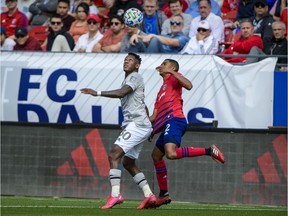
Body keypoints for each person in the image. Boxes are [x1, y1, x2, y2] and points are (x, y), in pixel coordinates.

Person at [80, 53, 157, 209]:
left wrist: (97, 93)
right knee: (128, 162)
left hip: (137, 124)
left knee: (114, 154)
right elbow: (142, 103)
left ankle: (115, 195)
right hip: (140, 125)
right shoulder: (129, 80)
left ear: (137, 65)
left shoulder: (135, 77)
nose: (126, 61)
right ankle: (149, 195)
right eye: (125, 60)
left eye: (130, 60)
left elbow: (122, 92)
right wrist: (149, 126)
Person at [148, 58, 225, 207]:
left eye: (165, 64)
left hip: (175, 120)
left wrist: (172, 72)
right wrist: (149, 128)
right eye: (162, 64)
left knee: (171, 154)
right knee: (156, 156)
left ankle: (209, 151)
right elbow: (154, 116)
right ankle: (163, 194)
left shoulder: (174, 78)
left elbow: (189, 85)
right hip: (166, 124)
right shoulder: (160, 92)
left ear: (173, 68)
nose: (161, 66)